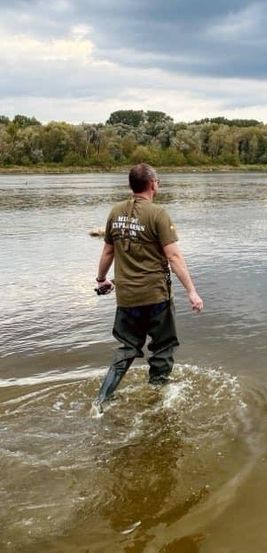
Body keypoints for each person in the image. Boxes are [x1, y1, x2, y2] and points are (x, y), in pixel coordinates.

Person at [93, 163, 203, 410]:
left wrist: (101, 279)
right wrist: (192, 292)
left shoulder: (115, 212)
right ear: (153, 184)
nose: (158, 185)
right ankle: (158, 400)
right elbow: (174, 257)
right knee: (163, 348)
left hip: (127, 299)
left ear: (132, 185)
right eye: (158, 181)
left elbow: (108, 250)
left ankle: (101, 400)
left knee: (127, 348)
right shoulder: (158, 214)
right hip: (156, 298)